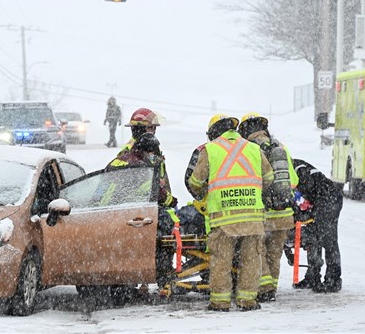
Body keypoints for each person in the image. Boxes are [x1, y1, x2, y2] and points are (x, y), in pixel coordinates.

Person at [187, 114, 274, 312]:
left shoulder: (210, 150)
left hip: (224, 216)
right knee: (251, 259)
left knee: (221, 261)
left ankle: (220, 302)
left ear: (214, 132)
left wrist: (206, 191)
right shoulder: (253, 148)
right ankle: (247, 301)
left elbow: (195, 183)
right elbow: (269, 178)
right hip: (252, 215)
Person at [238, 112, 299, 303]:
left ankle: (264, 289)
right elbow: (294, 181)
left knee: (258, 252)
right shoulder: (281, 148)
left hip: (262, 213)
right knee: (275, 254)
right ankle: (272, 288)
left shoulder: (249, 149)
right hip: (284, 213)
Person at [106, 132, 178, 291]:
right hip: (129, 212)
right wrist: (171, 200)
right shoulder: (141, 167)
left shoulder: (120, 160)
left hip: (107, 212)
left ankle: (121, 286)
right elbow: (154, 192)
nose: (154, 157)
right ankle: (162, 274)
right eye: (153, 153)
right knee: (164, 235)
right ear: (148, 151)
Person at [291, 158, 343, 293]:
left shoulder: (296, 168)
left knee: (328, 240)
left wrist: (298, 207)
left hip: (329, 198)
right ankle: (312, 276)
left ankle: (334, 280)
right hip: (320, 199)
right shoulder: (292, 166)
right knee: (313, 237)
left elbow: (307, 186)